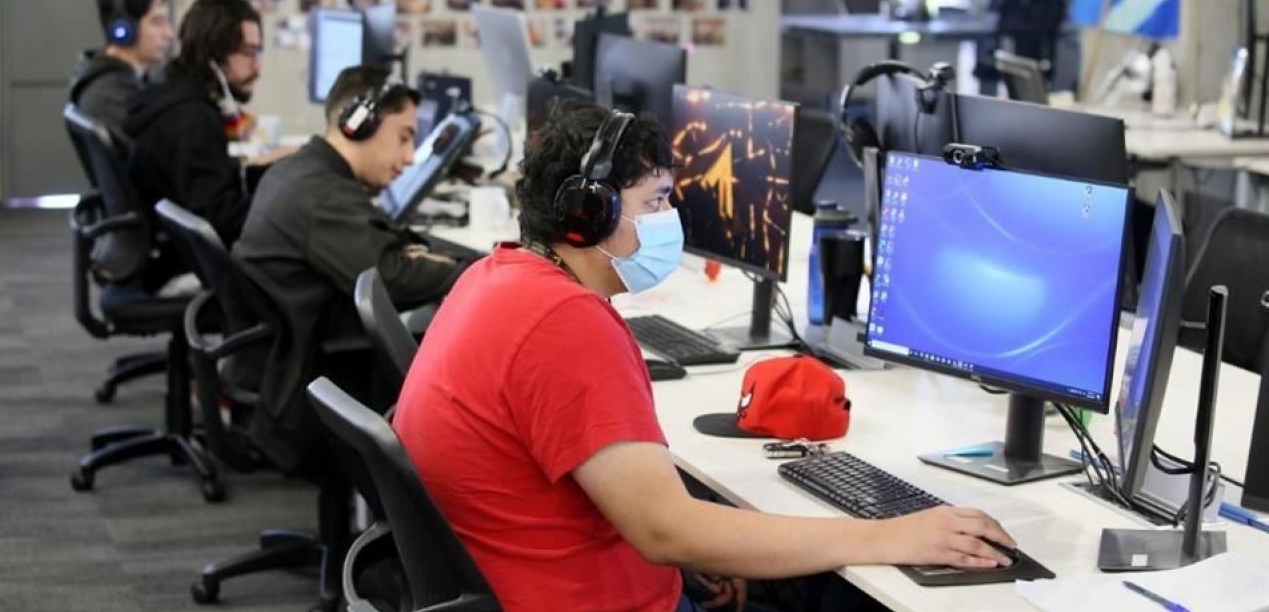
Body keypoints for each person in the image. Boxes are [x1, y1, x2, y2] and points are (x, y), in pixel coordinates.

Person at [392, 102, 1018, 612]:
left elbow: (655, 527)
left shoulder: (497, 276)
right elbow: (666, 530)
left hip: (535, 580)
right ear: (588, 215)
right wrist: (891, 535)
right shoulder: (564, 323)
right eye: (655, 201)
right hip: (583, 599)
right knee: (847, 596)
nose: (671, 219)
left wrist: (691, 554)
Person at [234, 65, 468, 471]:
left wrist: (418, 255)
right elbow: (392, 277)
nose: (409, 158)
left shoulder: (303, 172)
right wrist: (472, 269)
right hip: (315, 376)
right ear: (359, 125)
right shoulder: (324, 197)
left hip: (293, 358)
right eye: (404, 137)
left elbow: (387, 246)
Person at [125, 0, 290, 249]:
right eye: (248, 53)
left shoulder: (175, 95)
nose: (258, 67)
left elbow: (216, 185)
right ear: (213, 55)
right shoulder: (193, 120)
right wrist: (293, 207)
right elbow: (221, 220)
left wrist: (282, 171)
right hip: (183, 258)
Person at [68, 0, 174, 150]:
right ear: (123, 30)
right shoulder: (112, 96)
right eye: (157, 22)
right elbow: (166, 154)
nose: (169, 34)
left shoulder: (125, 83)